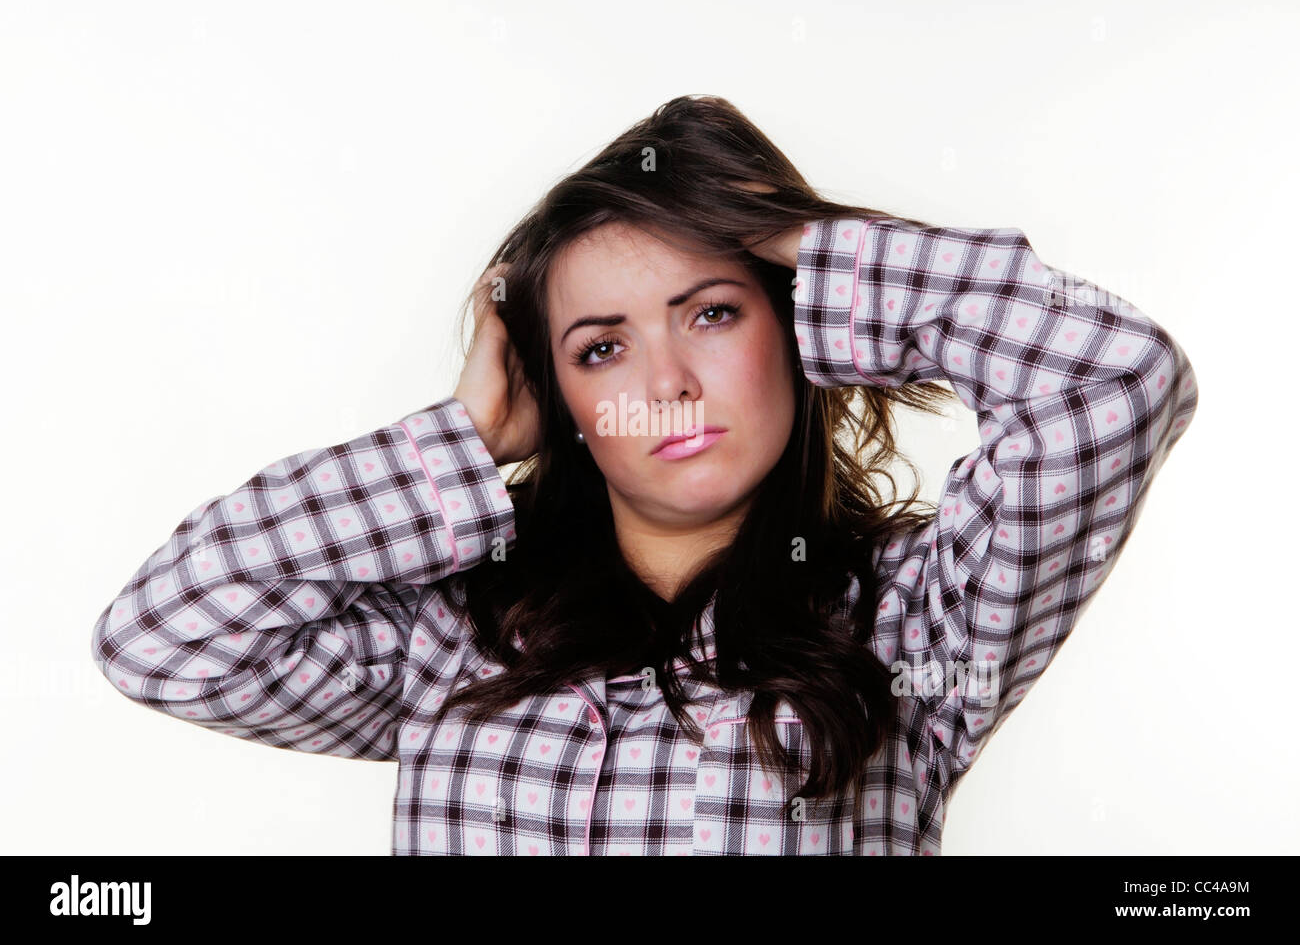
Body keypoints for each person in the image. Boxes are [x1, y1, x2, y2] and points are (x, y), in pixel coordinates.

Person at [91, 95, 1199, 855]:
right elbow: (165, 634)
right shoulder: (456, 637)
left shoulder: (914, 627)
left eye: (711, 312)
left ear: (798, 325)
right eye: (601, 346)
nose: (663, 382)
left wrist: (792, 232)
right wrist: (464, 437)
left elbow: (1113, 381)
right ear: (556, 394)